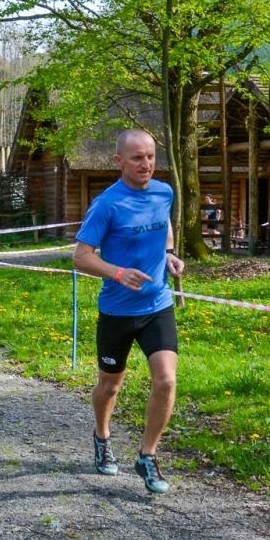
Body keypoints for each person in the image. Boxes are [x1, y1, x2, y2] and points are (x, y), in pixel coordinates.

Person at [72, 129, 185, 495]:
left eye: (151, 156)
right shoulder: (107, 204)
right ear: (119, 161)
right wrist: (118, 273)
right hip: (118, 312)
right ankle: (102, 437)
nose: (146, 164)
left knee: (166, 381)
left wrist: (168, 254)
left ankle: (147, 455)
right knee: (110, 386)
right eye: (137, 157)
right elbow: (81, 257)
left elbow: (163, 225)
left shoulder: (164, 192)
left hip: (157, 305)